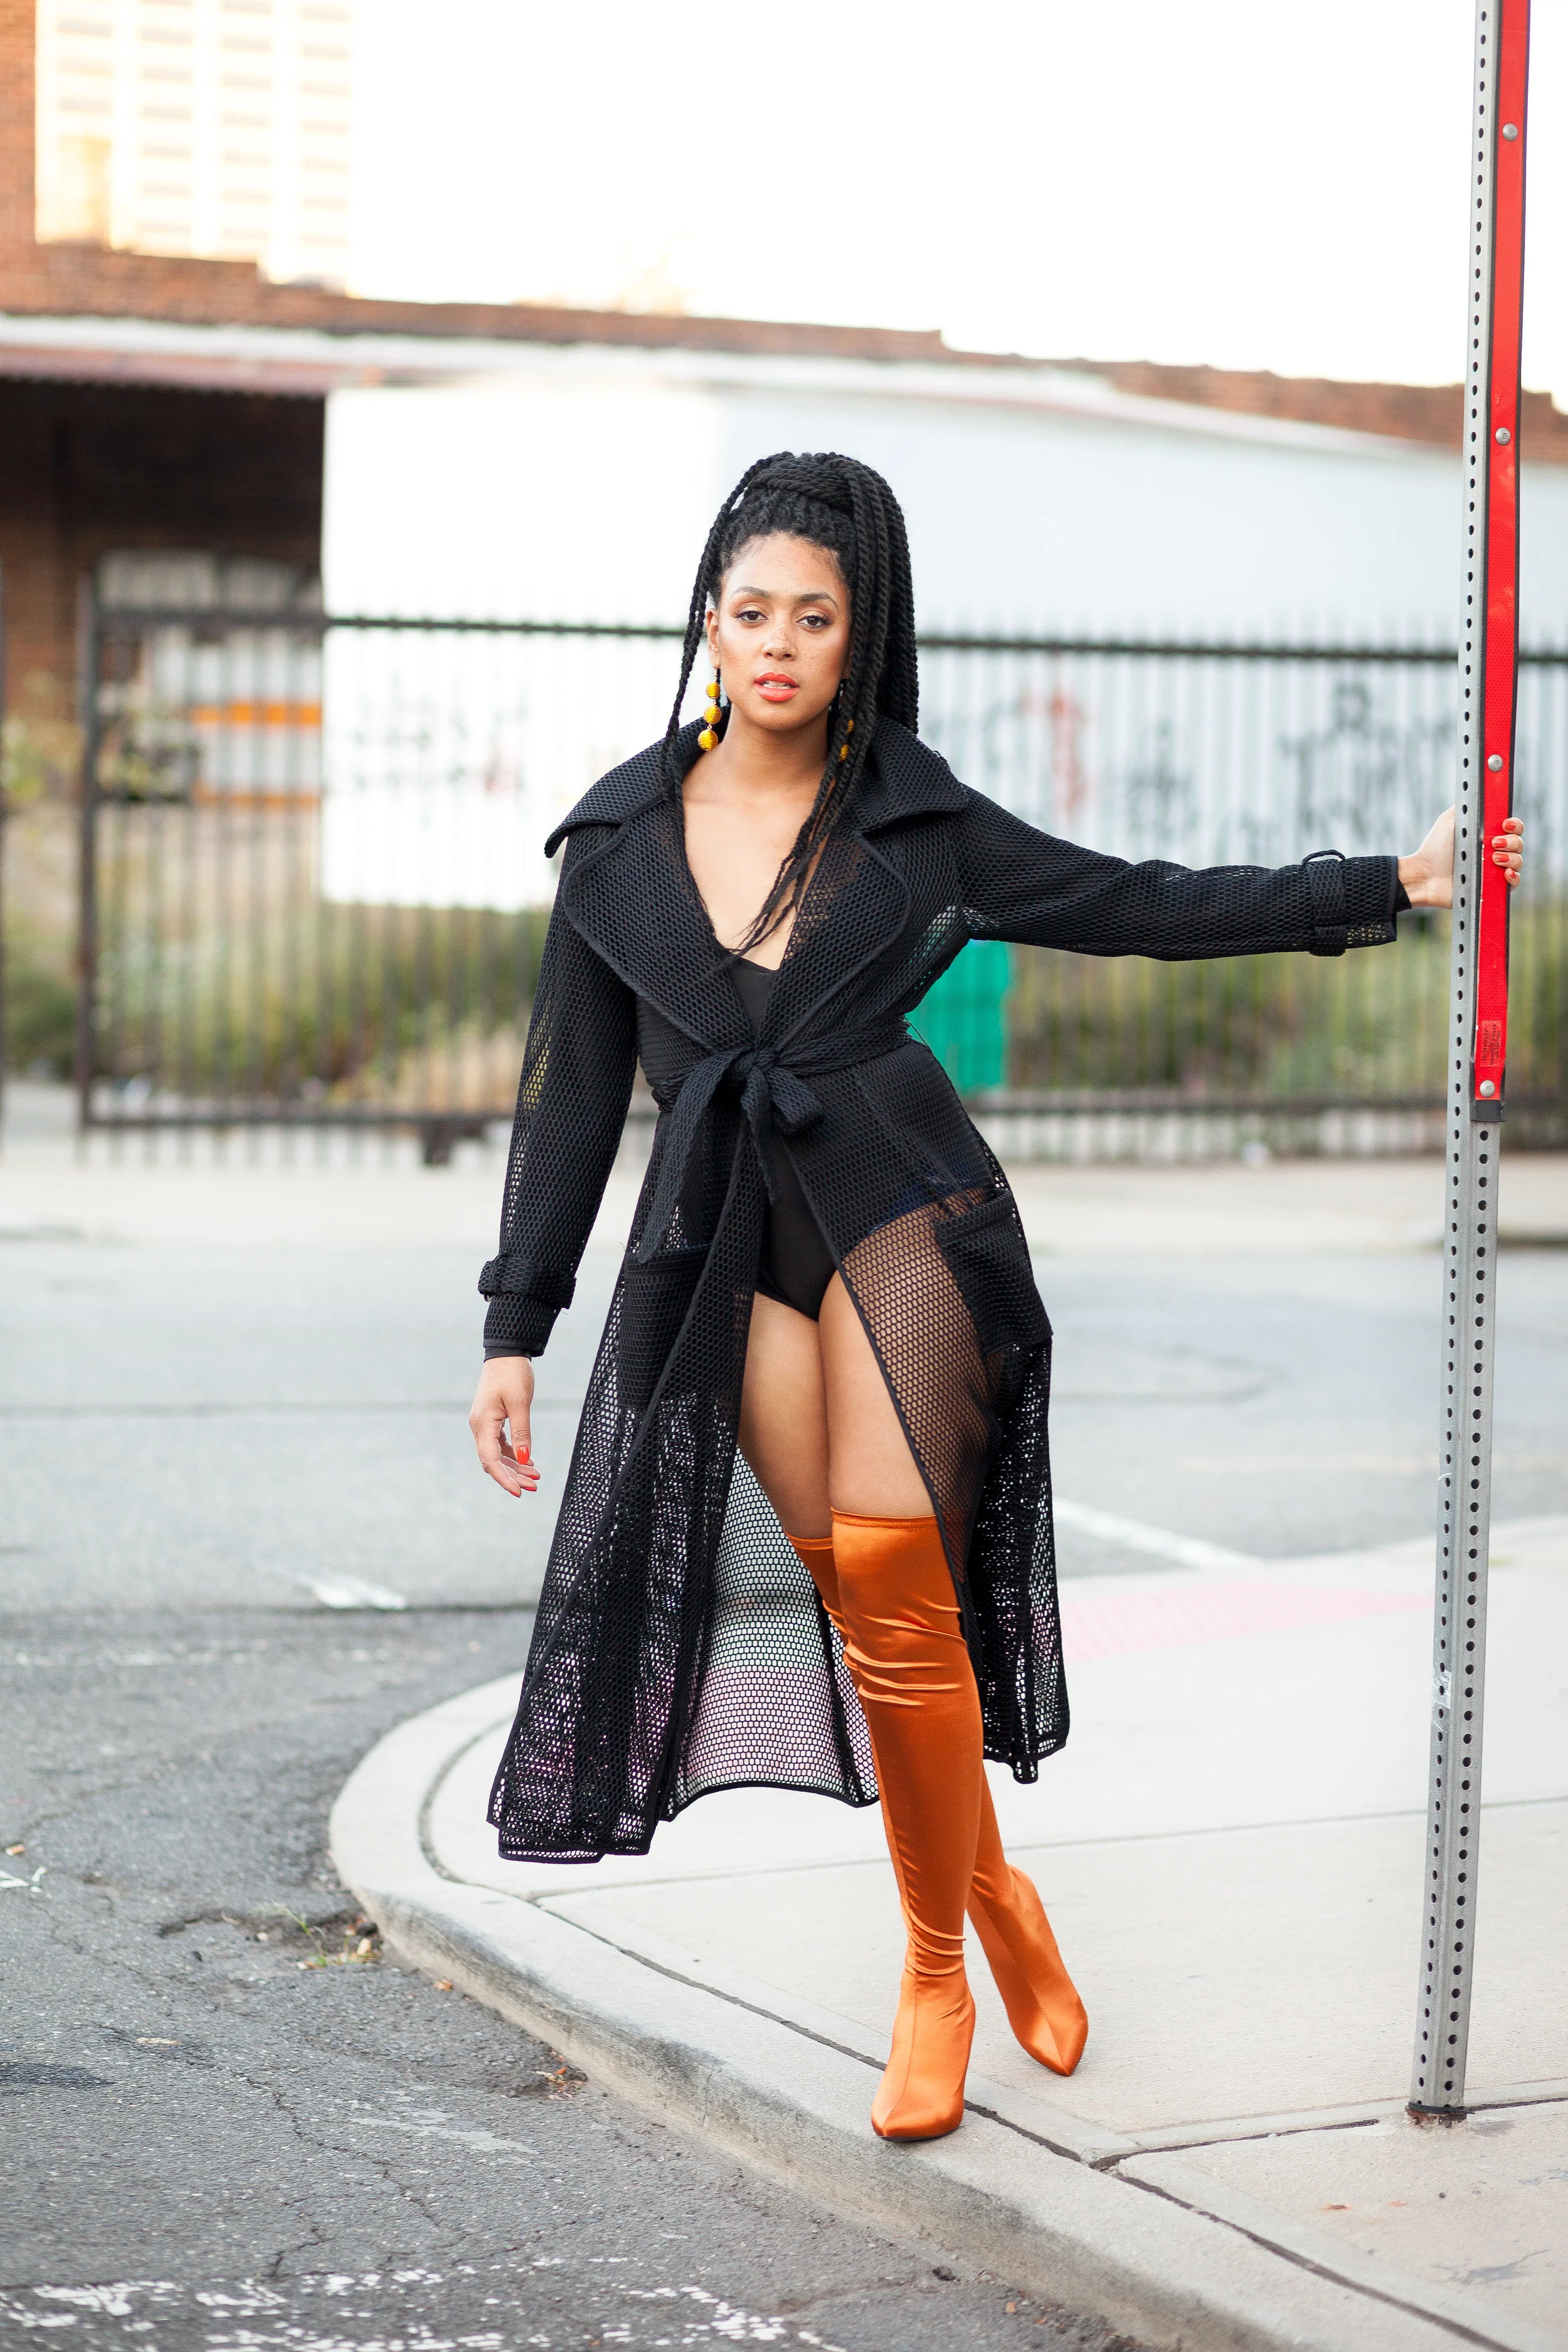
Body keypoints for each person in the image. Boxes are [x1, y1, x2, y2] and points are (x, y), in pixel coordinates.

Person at [469, 452, 1525, 2144]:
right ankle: (996, 1885)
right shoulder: (613, 848)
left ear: (858, 632)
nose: (778, 644)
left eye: (814, 615)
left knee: (895, 1568)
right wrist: (514, 1327)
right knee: (864, 1607)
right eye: (751, 611)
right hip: (718, 1238)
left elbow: (1142, 902)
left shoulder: (917, 821)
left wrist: (1374, 887)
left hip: (900, 1204)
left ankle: (931, 1972)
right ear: (709, 621)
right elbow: (570, 1102)